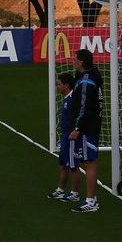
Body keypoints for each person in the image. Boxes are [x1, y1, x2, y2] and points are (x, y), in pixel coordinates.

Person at [69, 49, 102, 213]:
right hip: (91, 125)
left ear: (81, 62)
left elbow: (84, 106)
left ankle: (91, 201)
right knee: (86, 161)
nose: (72, 61)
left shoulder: (86, 81)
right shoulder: (89, 77)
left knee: (89, 163)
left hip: (88, 127)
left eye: (74, 59)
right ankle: (91, 199)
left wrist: (77, 128)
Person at [48, 73, 81, 202]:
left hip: (71, 136)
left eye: (59, 84)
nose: (57, 87)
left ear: (66, 85)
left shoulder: (73, 98)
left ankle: (75, 193)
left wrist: (75, 131)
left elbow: (79, 116)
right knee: (63, 164)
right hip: (65, 135)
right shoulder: (66, 98)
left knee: (73, 165)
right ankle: (60, 190)